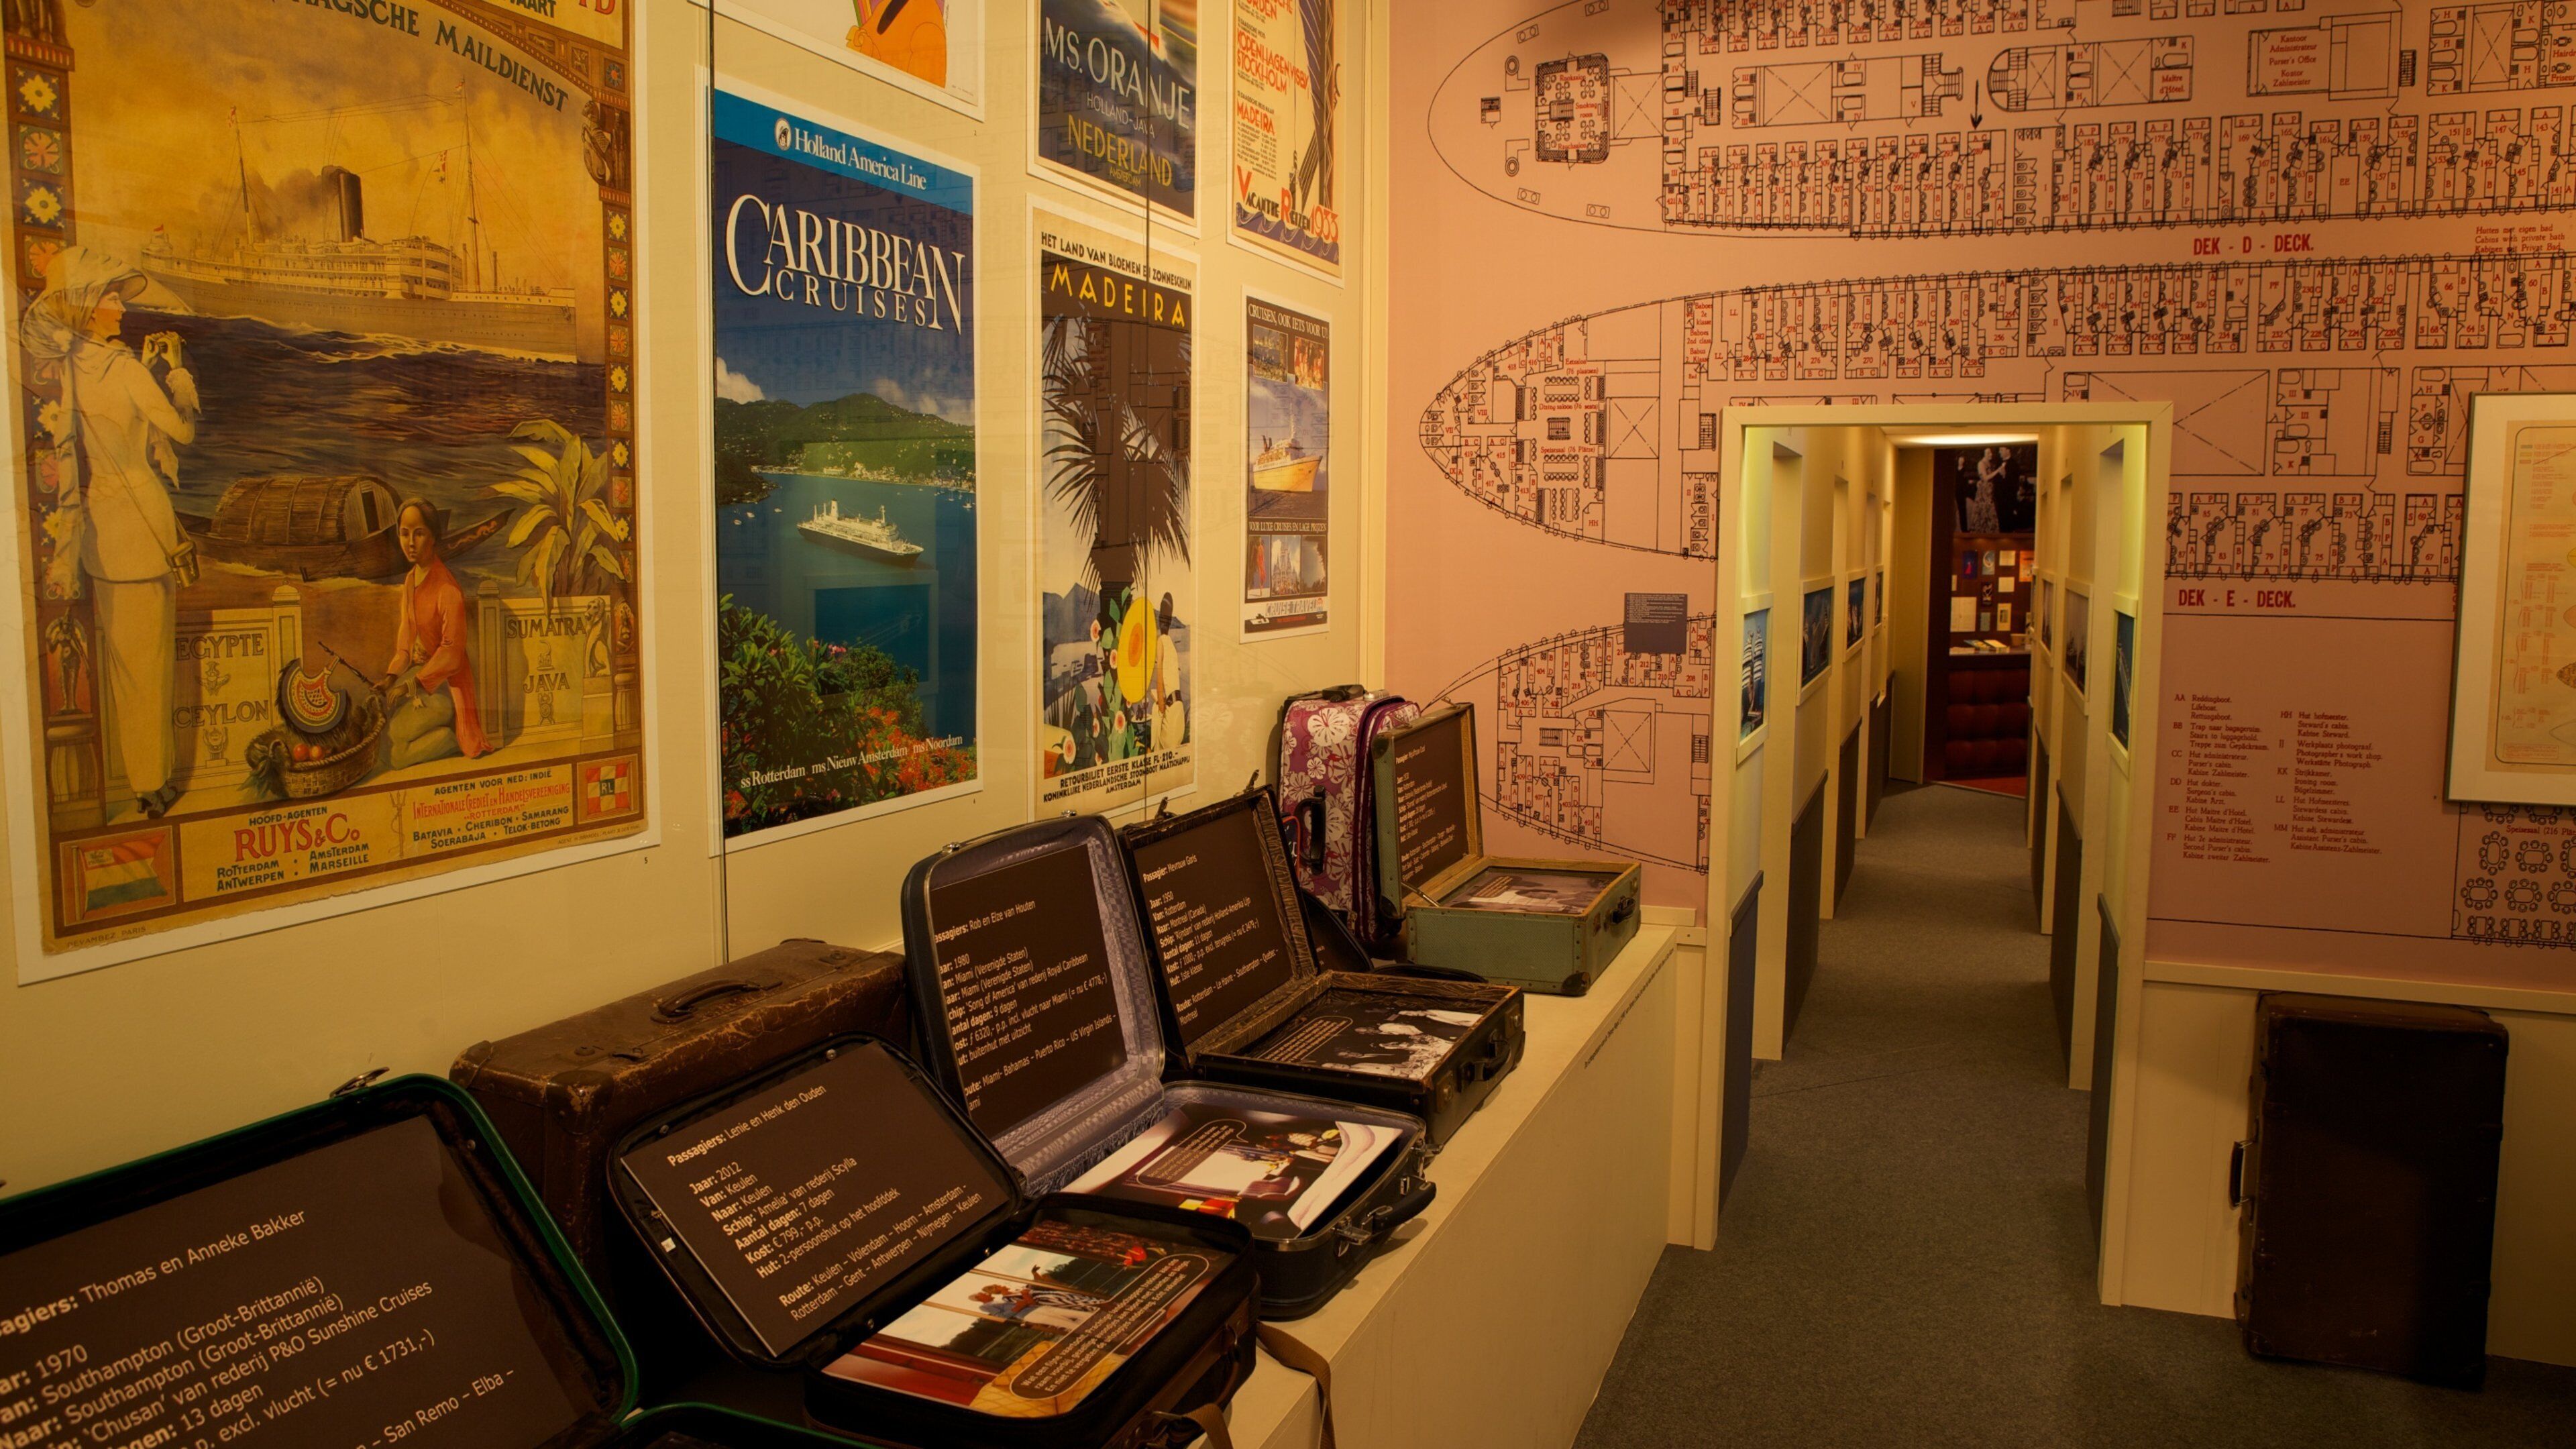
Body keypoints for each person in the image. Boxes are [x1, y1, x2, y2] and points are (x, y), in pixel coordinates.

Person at [26, 248, 200, 820]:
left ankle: (141, 782)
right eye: (110, 296)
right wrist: (176, 376)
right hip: (144, 528)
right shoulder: (126, 369)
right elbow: (181, 430)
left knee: (126, 667)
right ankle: (156, 784)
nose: (122, 305)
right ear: (85, 307)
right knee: (152, 667)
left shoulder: (71, 370)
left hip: (100, 535)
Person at [382, 500, 490, 769]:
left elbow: (452, 656)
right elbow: (405, 644)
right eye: (404, 533)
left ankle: (450, 738)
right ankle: (439, 739)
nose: (410, 542)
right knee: (387, 736)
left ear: (433, 538)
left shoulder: (447, 589)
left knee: (396, 738)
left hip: (445, 686)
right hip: (420, 678)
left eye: (418, 533)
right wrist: (389, 678)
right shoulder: (410, 581)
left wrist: (411, 684)